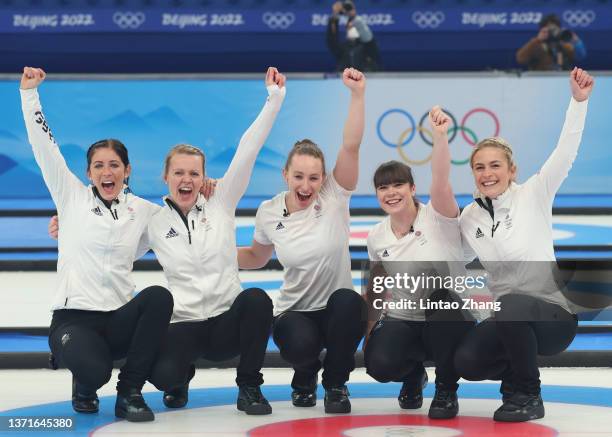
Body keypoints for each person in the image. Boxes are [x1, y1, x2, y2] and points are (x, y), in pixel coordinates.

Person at [20, 67, 174, 422]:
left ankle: (130, 391)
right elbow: (44, 147)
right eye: (99, 166)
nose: (108, 172)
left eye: (115, 165)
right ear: (88, 173)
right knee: (94, 371)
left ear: (127, 171)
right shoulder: (70, 197)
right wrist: (30, 95)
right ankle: (83, 382)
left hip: (119, 318)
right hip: (74, 320)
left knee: (158, 296)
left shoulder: (145, 212)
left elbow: (184, 219)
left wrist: (208, 189)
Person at [454, 68, 594, 422]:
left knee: (510, 303)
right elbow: (452, 254)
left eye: (495, 166)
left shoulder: (535, 192)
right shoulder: (469, 217)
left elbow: (566, 152)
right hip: (509, 320)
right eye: (480, 167)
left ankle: (529, 394)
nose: (487, 173)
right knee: (467, 361)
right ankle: (514, 381)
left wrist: (578, 103)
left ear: (512, 170)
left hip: (553, 319)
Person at [145, 67, 286, 415]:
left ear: (204, 177)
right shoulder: (150, 220)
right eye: (179, 172)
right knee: (162, 376)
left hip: (226, 323)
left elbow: (248, 149)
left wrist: (274, 99)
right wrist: (65, 226)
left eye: (194, 173)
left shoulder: (221, 201)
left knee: (256, 300)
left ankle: (249, 387)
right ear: (165, 177)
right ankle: (180, 379)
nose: (187, 179)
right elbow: (109, 237)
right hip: (184, 325)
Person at [237, 68, 366, 414]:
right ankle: (305, 375)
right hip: (295, 312)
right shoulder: (268, 211)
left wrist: (357, 95)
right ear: (285, 175)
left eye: (313, 177)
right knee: (301, 344)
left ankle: (336, 384)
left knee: (351, 303)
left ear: (323, 178)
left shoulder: (335, 196)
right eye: (298, 176)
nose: (306, 185)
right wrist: (209, 252)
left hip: (335, 310)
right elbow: (256, 256)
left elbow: (351, 145)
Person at [363, 107, 476, 419]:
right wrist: (371, 330)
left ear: (413, 189)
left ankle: (446, 389)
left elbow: (440, 180)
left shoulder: (439, 217)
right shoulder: (377, 236)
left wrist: (440, 137)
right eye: (383, 188)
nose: (391, 192)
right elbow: (377, 285)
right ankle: (413, 376)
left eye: (398, 185)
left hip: (450, 317)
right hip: (403, 318)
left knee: (441, 300)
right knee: (378, 363)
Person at [327, 1, 381, 72]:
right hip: (363, 45)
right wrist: (336, 12)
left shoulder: (357, 21)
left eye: (348, 10)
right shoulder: (353, 19)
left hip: (368, 49)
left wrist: (336, 12)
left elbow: (348, 23)